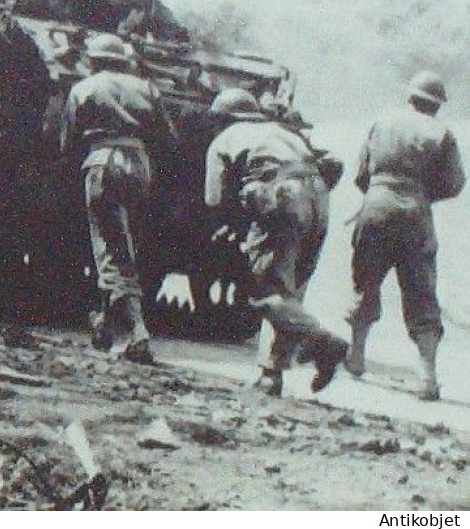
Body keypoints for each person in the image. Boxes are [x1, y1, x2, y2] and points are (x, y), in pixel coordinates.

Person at [204, 88, 348, 397]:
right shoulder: (282, 132)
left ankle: (323, 342)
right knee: (288, 293)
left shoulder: (225, 138)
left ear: (223, 118)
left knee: (265, 290)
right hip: (318, 198)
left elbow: (214, 199)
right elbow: (332, 165)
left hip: (281, 198)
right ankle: (271, 375)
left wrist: (233, 228)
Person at [345, 72, 465, 401]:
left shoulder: (381, 122)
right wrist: (419, 194)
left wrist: (381, 191)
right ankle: (426, 378)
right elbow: (455, 184)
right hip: (416, 215)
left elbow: (361, 173)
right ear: (436, 106)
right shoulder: (442, 133)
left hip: (376, 208)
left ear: (410, 97)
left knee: (365, 282)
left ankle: (355, 358)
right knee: (421, 294)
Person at [60, 32, 175, 364]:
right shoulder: (147, 87)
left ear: (94, 61)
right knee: (126, 246)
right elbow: (168, 137)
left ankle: (135, 334)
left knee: (111, 250)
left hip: (103, 161)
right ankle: (107, 326)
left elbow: (66, 143)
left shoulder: (85, 87)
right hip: (141, 166)